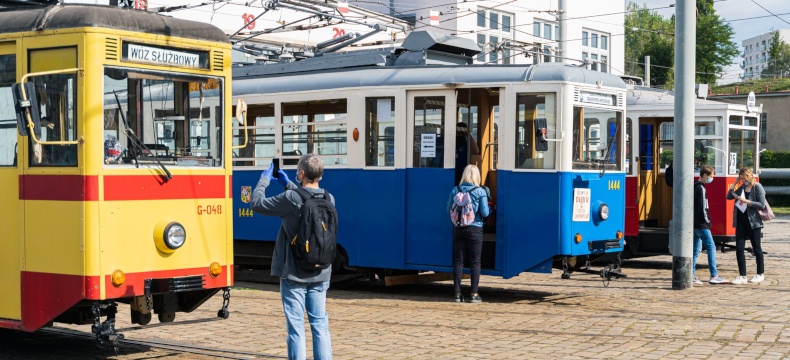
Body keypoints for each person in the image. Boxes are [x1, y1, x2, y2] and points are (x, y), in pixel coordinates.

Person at [251, 154, 334, 360]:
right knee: (320, 325)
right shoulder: (329, 198)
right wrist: (287, 183)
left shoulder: (290, 198)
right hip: (321, 270)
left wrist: (265, 179)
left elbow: (257, 203)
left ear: (302, 173)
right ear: (320, 176)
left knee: (296, 328)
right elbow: (305, 200)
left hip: (295, 273)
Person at [447, 164, 490, 303]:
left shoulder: (456, 190)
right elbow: (485, 212)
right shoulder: (480, 191)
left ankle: (457, 294)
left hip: (458, 228)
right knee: (475, 262)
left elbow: (448, 209)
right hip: (475, 229)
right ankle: (474, 294)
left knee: (458, 261)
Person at [726, 167, 766, 285]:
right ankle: (742, 275)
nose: (742, 180)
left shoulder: (757, 187)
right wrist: (734, 183)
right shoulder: (741, 187)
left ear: (748, 176)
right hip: (741, 221)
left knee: (756, 248)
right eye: (741, 178)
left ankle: (760, 273)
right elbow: (728, 196)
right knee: (739, 248)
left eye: (743, 178)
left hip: (753, 222)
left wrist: (747, 201)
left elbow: (762, 204)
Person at [692, 165, 728, 285]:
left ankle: (691, 274)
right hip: (702, 224)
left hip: (696, 223)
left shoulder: (695, 187)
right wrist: (707, 221)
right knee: (711, 247)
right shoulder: (701, 188)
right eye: (711, 176)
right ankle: (714, 275)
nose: (712, 179)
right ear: (705, 175)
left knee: (696, 249)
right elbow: (703, 207)